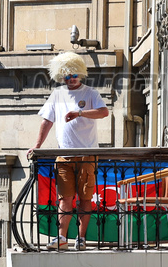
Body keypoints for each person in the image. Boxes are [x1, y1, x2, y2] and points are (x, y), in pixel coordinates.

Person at [26, 52, 109, 249]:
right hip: (64, 155)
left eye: (73, 75)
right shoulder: (57, 94)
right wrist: (37, 146)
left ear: (80, 73)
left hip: (87, 155)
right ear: (61, 76)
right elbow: (47, 121)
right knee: (65, 198)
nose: (70, 79)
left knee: (85, 198)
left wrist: (79, 112)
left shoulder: (90, 93)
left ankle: (81, 239)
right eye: (66, 76)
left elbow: (104, 112)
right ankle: (62, 238)